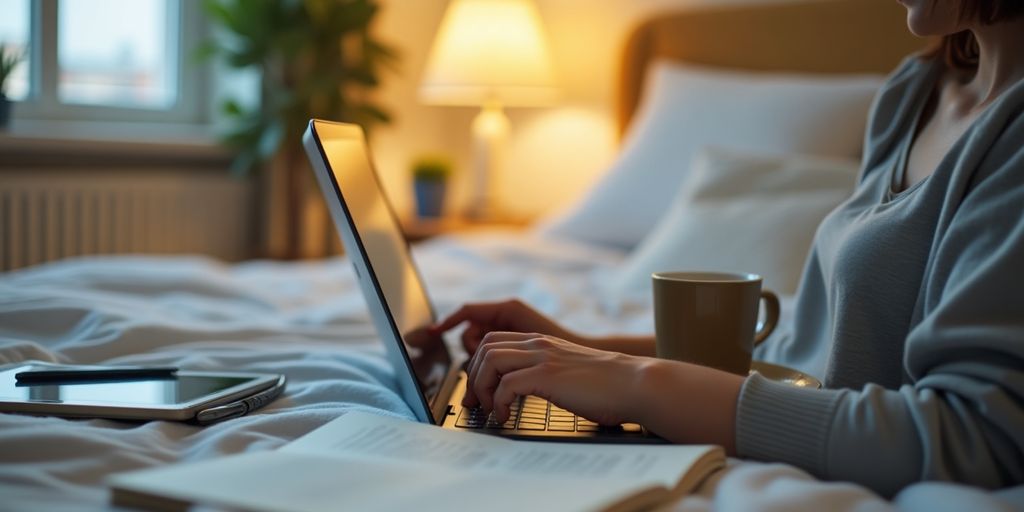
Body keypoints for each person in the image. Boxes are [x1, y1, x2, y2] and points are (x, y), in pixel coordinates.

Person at [430, 0, 1024, 498]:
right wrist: (580, 350)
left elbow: (974, 437)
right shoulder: (915, 93)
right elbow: (807, 356)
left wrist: (641, 383)